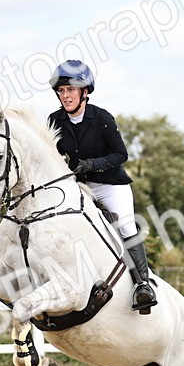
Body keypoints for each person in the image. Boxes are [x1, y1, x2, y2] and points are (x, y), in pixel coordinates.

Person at [46, 59, 156, 312]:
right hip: (79, 185)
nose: (65, 96)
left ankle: (143, 285)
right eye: (61, 91)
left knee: (125, 225)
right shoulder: (54, 120)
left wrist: (92, 164)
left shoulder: (102, 118)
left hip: (110, 184)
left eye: (70, 90)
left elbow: (121, 155)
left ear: (84, 92)